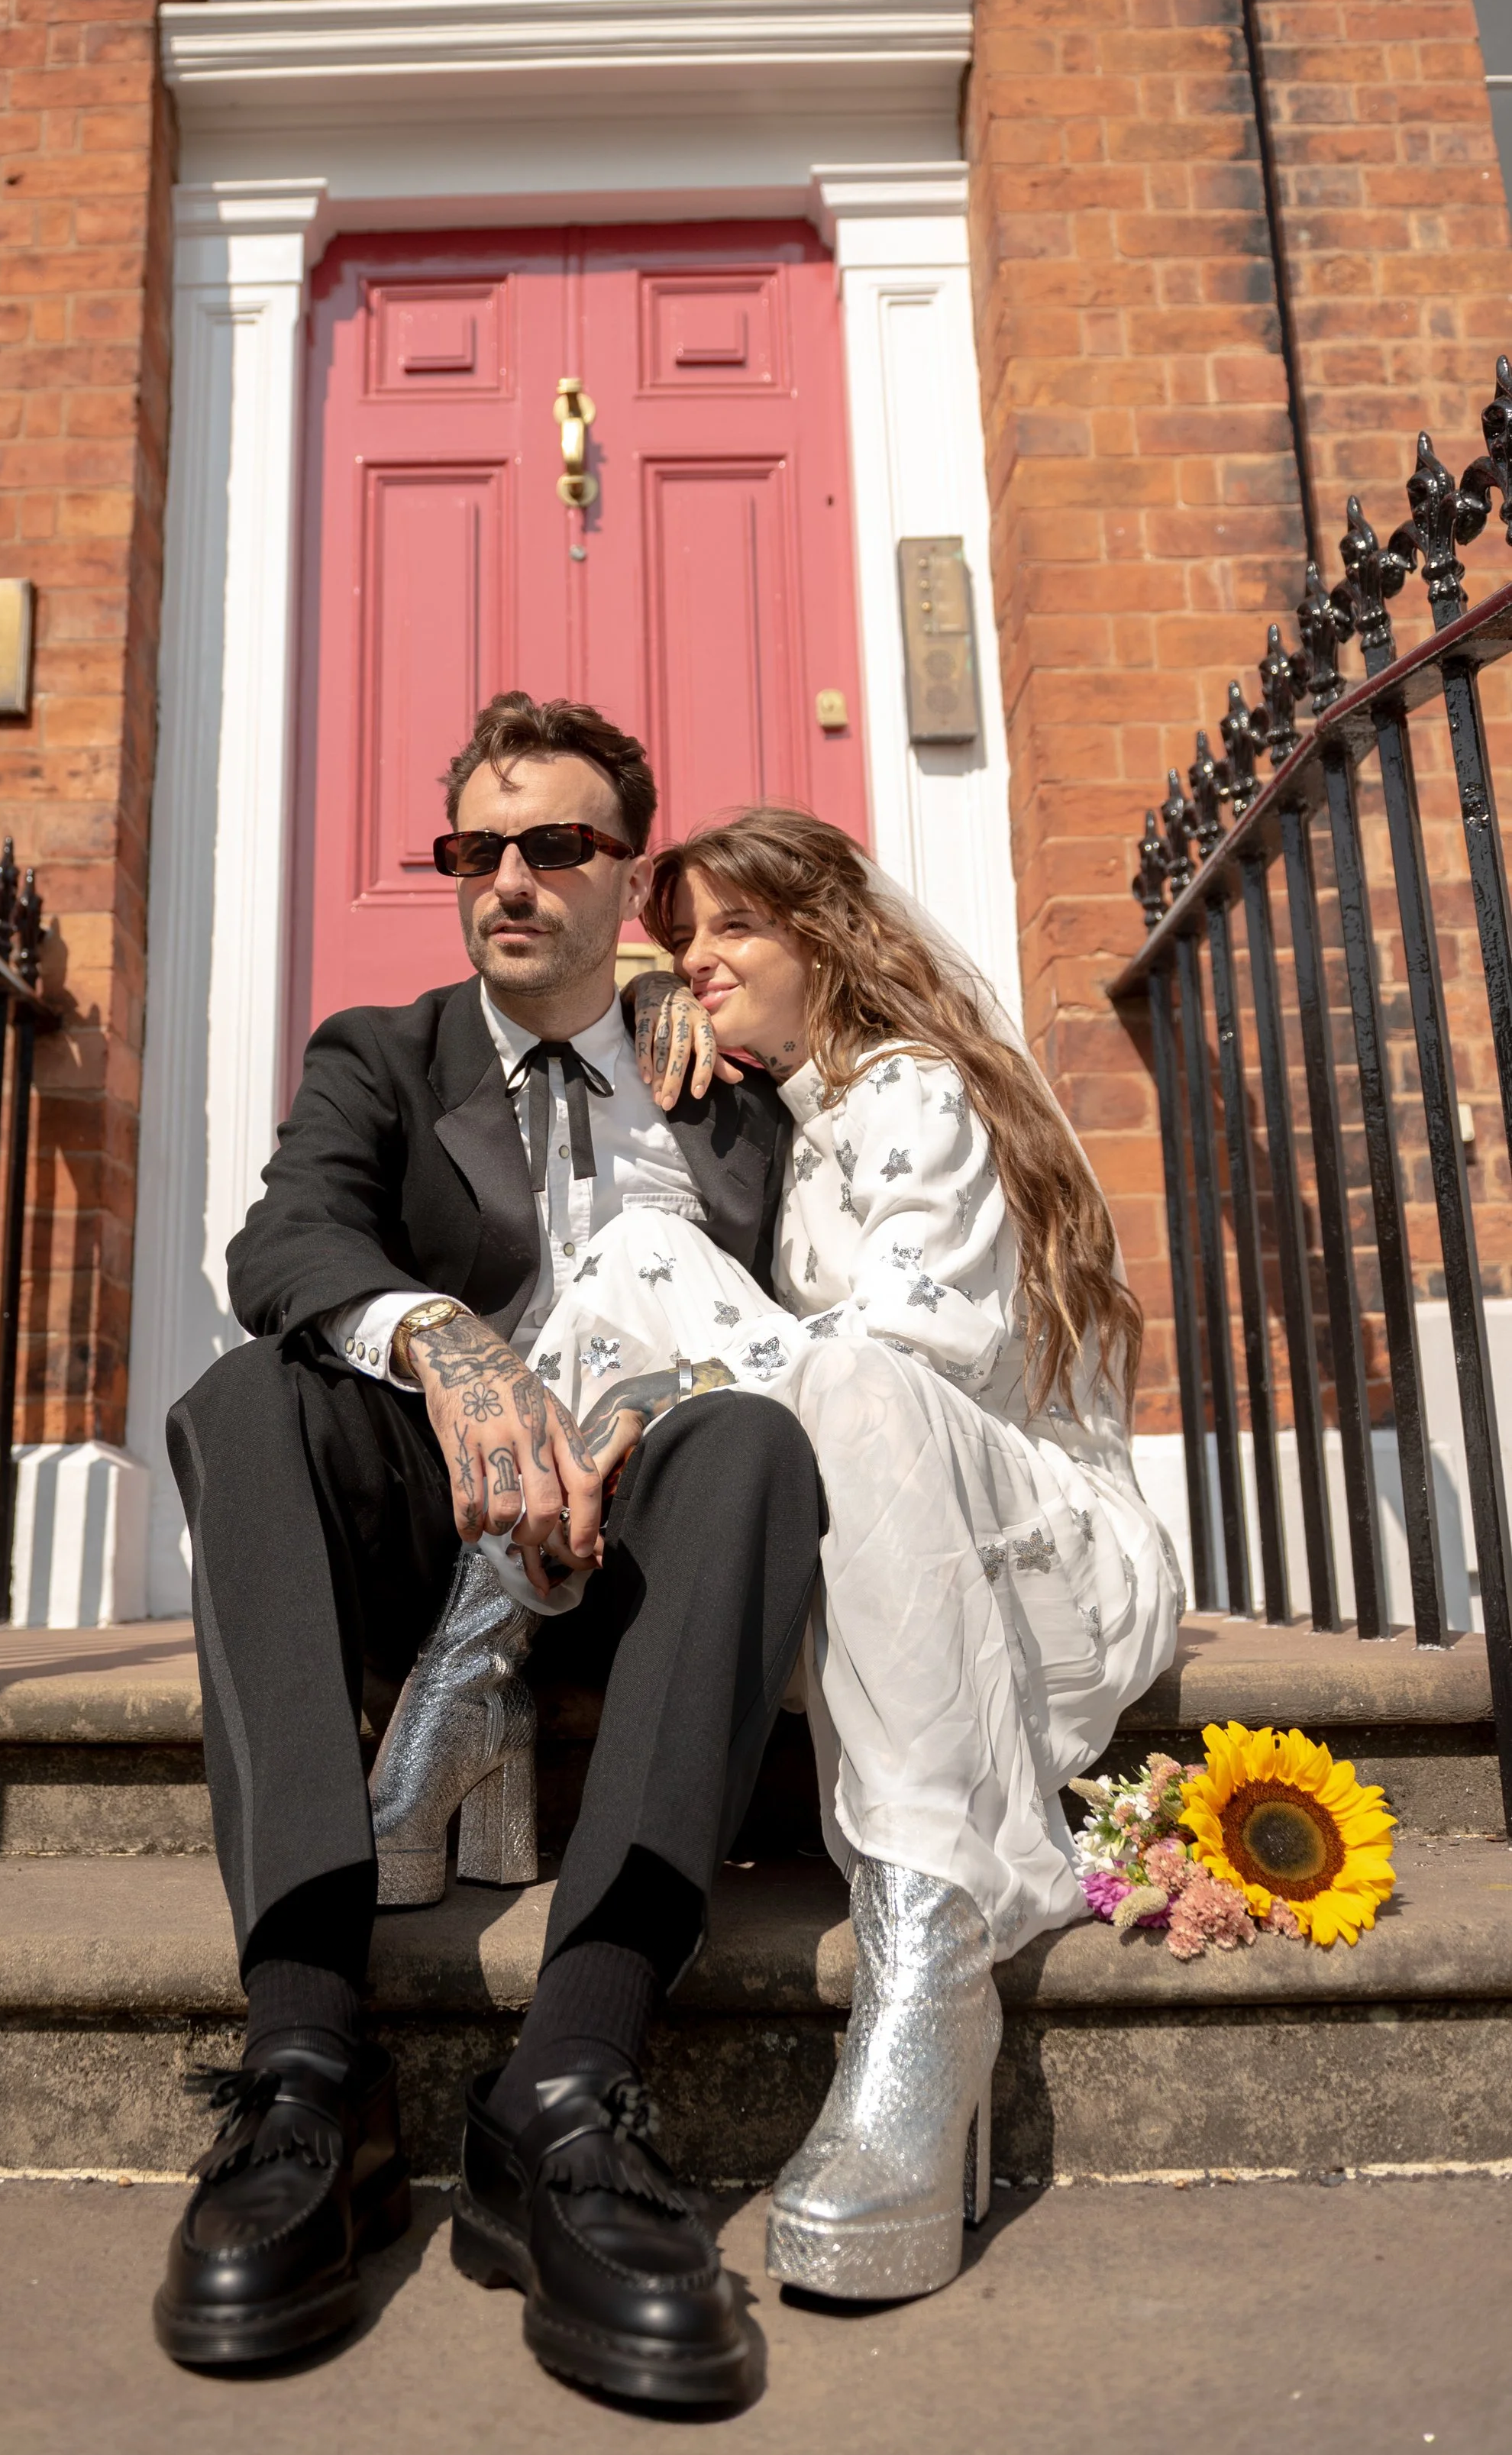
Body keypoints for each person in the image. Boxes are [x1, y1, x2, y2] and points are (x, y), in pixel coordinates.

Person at [154, 696, 823, 2410]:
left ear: (632, 879)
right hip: (428, 1519)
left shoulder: (728, 1080)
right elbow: (285, 1240)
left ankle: (566, 2093)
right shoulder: (381, 1052)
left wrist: (711, 999)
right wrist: (442, 1341)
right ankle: (308, 2065)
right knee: (245, 1402)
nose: (505, 881)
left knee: (751, 1441)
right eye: (474, 849)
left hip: (653, 1536)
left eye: (554, 848)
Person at [478, 805, 1184, 2302]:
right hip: (914, 1551)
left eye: (736, 930)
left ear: (830, 939)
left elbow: (931, 1353)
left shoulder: (918, 1092)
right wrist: (659, 1007)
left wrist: (670, 1388)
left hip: (1046, 1561)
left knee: (787, 1344)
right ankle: (487, 1628)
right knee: (637, 1260)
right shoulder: (805, 1124)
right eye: (682, 942)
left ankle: (930, 1968)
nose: (699, 967)